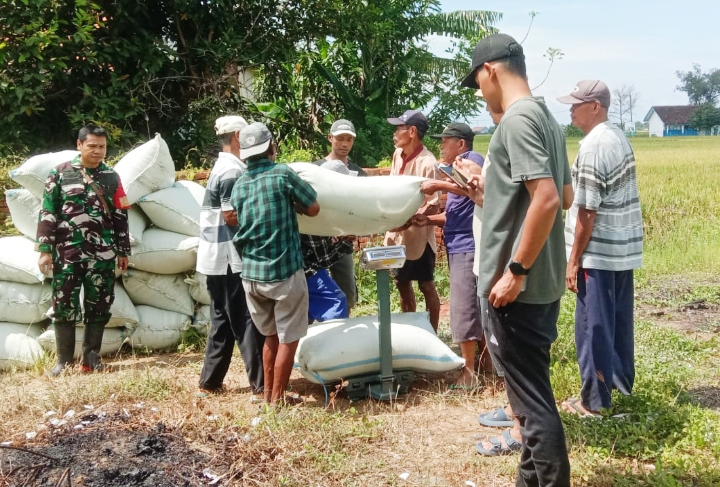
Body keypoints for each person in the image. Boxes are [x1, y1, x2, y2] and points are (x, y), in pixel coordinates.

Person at [460, 33, 571, 485]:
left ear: (490, 70)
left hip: (517, 290)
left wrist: (514, 271)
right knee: (532, 393)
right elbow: (563, 195)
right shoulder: (547, 118)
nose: (480, 92)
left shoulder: (517, 120)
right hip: (542, 284)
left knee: (532, 406)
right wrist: (494, 195)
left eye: (478, 82)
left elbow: (546, 199)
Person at [557, 80, 644, 417]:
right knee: (618, 321)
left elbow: (587, 211)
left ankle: (593, 403)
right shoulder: (616, 136)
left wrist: (573, 261)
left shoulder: (593, 145)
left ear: (595, 106)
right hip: (620, 250)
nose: (571, 110)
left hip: (598, 252)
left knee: (593, 325)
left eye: (577, 104)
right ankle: (620, 389)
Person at [231, 122, 320, 405]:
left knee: (269, 336)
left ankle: (269, 395)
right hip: (283, 272)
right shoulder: (282, 173)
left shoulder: (240, 184)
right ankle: (277, 400)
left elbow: (234, 216)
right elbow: (314, 208)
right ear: (272, 147)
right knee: (288, 339)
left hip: (252, 275)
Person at [37, 124, 131, 376]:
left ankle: (91, 360)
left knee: (99, 305)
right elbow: (48, 212)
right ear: (79, 145)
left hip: (102, 254)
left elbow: (121, 214)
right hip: (67, 254)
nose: (98, 151)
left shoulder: (112, 177)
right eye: (92, 146)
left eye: (102, 147)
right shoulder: (60, 174)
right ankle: (63, 363)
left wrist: (123, 250)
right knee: (64, 304)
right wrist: (45, 249)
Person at [196, 115, 265, 400]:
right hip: (229, 257)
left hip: (215, 256)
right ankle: (262, 387)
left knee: (222, 319)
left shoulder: (223, 166)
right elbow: (231, 216)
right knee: (246, 320)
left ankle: (209, 383)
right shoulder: (233, 172)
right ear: (238, 136)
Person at [416, 122, 488, 387]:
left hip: (468, 245)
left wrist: (439, 184)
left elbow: (475, 192)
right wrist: (429, 220)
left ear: (460, 143)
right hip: (460, 242)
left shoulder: (471, 162)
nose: (441, 146)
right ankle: (485, 366)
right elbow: (456, 214)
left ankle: (469, 373)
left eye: (445, 141)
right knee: (473, 304)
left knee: (465, 306)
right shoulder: (458, 166)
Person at [384, 110, 442, 331]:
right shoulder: (397, 154)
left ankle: (433, 334)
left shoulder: (428, 163)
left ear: (412, 131)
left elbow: (433, 201)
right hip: (397, 233)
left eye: (399, 128)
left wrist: (417, 217)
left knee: (426, 284)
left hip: (417, 237)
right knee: (401, 282)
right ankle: (412, 331)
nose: (395, 133)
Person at [313, 119, 364, 309]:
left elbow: (362, 206)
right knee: (313, 291)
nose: (344, 144)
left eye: (349, 140)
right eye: (340, 138)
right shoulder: (315, 169)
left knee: (347, 293)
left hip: (344, 242)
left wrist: (353, 229)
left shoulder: (357, 173)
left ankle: (347, 330)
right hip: (316, 243)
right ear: (330, 138)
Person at [301, 159, 361, 323]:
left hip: (303, 268)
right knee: (337, 302)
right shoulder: (314, 213)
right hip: (304, 270)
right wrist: (345, 243)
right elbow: (323, 260)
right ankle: (338, 346)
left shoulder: (320, 206)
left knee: (305, 314)